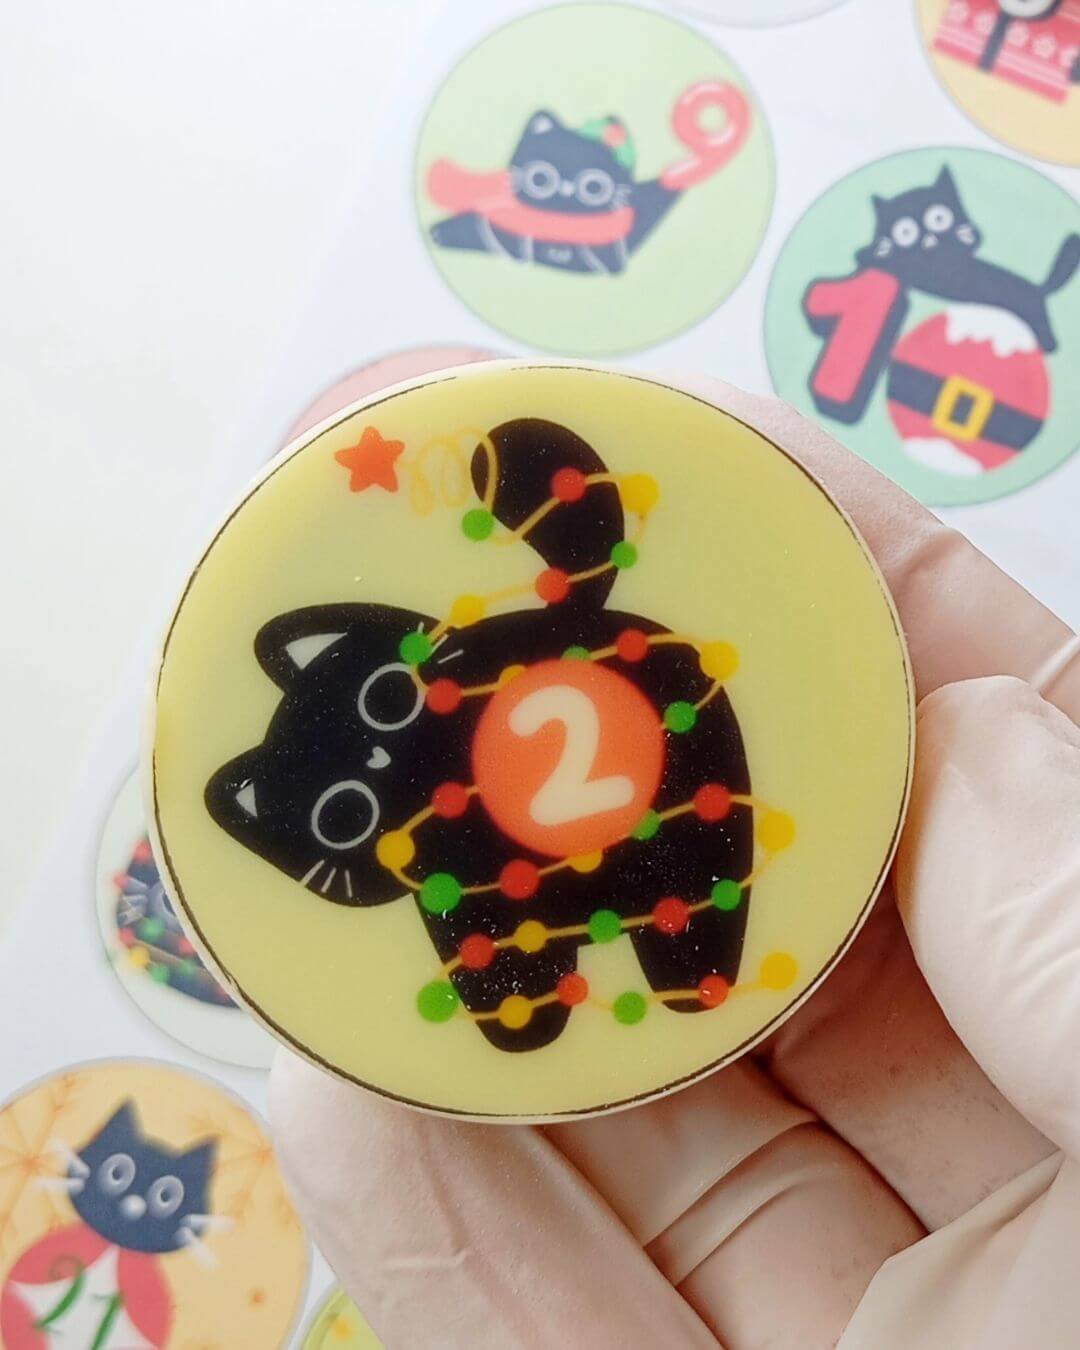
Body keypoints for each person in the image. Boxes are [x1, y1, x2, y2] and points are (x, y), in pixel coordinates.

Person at [270, 356, 1080, 1349]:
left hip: (694, 797)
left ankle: (665, 955)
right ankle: (650, 959)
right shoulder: (457, 784)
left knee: (629, 930)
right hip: (643, 823)